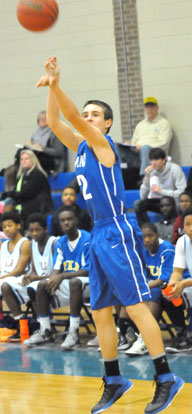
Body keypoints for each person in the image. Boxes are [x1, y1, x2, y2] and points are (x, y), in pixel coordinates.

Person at [36, 56, 184, 414]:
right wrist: (51, 92)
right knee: (101, 311)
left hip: (116, 230)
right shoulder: (82, 147)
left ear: (107, 124)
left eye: (93, 115)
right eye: (84, 114)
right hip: (98, 233)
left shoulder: (104, 146)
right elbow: (56, 120)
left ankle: (166, 377)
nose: (86, 118)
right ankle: (114, 378)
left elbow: (69, 118)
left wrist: (57, 83)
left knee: (134, 306)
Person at [23, 206, 90, 349]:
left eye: (69, 219)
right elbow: (56, 269)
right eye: (63, 220)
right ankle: (45, 330)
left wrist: (61, 276)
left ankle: (73, 332)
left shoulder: (86, 239)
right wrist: (52, 279)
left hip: (89, 283)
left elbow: (87, 271)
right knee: (42, 285)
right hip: (71, 282)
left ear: (76, 220)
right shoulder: (60, 242)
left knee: (75, 282)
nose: (66, 223)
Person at [126, 223, 187, 356]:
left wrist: (143, 287)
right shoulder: (142, 251)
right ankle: (126, 330)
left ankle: (145, 339)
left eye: (150, 236)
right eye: (144, 237)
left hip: (181, 285)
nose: (147, 240)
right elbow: (143, 276)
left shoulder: (167, 250)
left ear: (157, 235)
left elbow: (165, 279)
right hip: (161, 289)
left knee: (155, 291)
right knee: (129, 291)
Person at [1, 213, 56, 342]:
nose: (6, 229)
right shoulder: (4, 245)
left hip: (19, 279)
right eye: (4, 227)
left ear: (19, 226)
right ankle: (16, 324)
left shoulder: (27, 243)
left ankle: (31, 326)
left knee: (5, 285)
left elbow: (19, 270)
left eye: (10, 225)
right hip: (20, 279)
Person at [134, 147, 186, 227]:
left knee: (179, 205)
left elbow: (182, 192)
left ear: (163, 160)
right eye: (151, 160)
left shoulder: (175, 169)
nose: (153, 163)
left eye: (156, 159)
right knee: (138, 204)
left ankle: (175, 228)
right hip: (158, 201)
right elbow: (143, 196)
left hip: (172, 201)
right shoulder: (151, 172)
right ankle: (147, 229)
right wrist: (146, 178)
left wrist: (162, 191)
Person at [164, 207, 192, 353]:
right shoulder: (182, 242)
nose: (191, 228)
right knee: (169, 293)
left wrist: (183, 284)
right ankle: (183, 335)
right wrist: (173, 284)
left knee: (187, 292)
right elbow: (177, 271)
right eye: (187, 224)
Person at [1, 150, 53, 227]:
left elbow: (24, 193)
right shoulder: (22, 176)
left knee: (9, 200)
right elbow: (16, 192)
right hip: (24, 206)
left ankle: (4, 225)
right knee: (8, 200)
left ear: (33, 160)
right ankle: (4, 225)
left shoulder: (37, 174)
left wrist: (7, 194)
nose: (23, 161)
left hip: (37, 208)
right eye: (22, 159)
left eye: (26, 159)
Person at [131, 97, 172, 178]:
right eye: (147, 107)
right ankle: (123, 179)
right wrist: (132, 146)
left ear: (157, 108)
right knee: (118, 149)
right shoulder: (140, 125)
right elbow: (134, 142)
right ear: (144, 109)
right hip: (137, 153)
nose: (149, 109)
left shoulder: (163, 123)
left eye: (152, 107)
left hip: (154, 154)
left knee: (145, 148)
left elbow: (163, 144)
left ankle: (145, 178)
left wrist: (143, 147)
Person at [27, 109, 68, 175]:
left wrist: (42, 148)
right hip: (36, 157)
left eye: (45, 119)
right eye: (41, 119)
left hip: (50, 160)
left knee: (34, 160)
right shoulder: (35, 134)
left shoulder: (56, 133)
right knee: (21, 152)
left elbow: (59, 152)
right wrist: (29, 146)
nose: (42, 121)